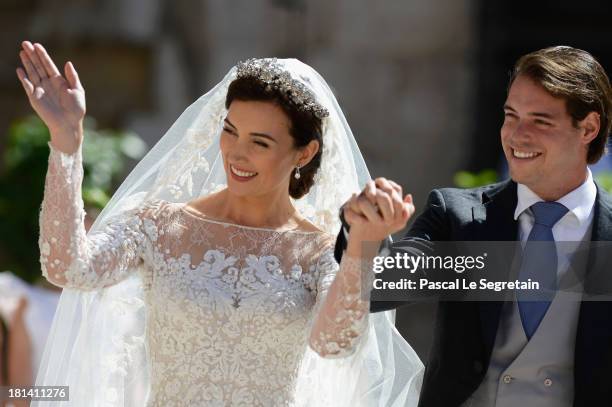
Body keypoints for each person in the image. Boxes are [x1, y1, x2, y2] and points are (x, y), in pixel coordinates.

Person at [16, 41, 423, 406]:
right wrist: (65, 143)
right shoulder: (159, 224)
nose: (236, 154)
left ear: (304, 152)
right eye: (230, 132)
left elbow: (333, 343)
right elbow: (68, 268)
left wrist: (363, 247)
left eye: (260, 143)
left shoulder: (318, 249)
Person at [337, 46, 612, 406]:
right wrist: (364, 231)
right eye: (511, 116)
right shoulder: (460, 218)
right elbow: (379, 289)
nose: (516, 135)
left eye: (540, 121)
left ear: (588, 128)